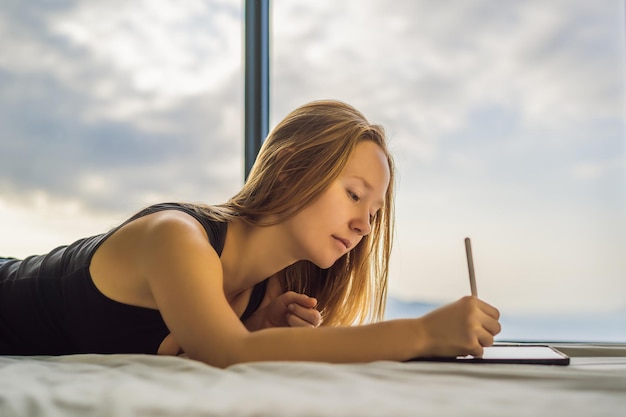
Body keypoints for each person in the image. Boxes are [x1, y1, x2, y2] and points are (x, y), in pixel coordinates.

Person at [0, 100, 501, 367]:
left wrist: (256, 327)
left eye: (374, 213)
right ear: (288, 171)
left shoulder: (271, 293)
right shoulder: (177, 238)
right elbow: (228, 354)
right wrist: (420, 333)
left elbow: (231, 342)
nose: (364, 227)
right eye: (353, 195)